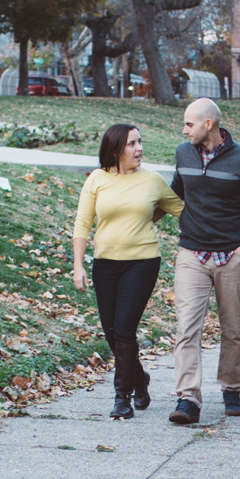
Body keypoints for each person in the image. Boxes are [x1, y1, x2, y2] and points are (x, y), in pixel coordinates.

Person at [167, 97, 240, 425]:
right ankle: (188, 399)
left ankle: (231, 389)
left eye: (189, 124)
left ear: (208, 124)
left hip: (231, 255)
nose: (184, 130)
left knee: (233, 327)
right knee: (186, 328)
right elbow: (176, 193)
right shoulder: (183, 152)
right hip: (192, 253)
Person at [73, 123, 182, 419]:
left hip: (142, 261)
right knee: (111, 334)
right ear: (116, 149)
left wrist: (147, 217)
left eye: (140, 142)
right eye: (132, 144)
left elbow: (179, 208)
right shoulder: (97, 178)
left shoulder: (152, 180)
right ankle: (140, 379)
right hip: (105, 263)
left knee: (124, 328)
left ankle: (122, 397)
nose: (139, 149)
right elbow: (83, 222)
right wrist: (78, 264)